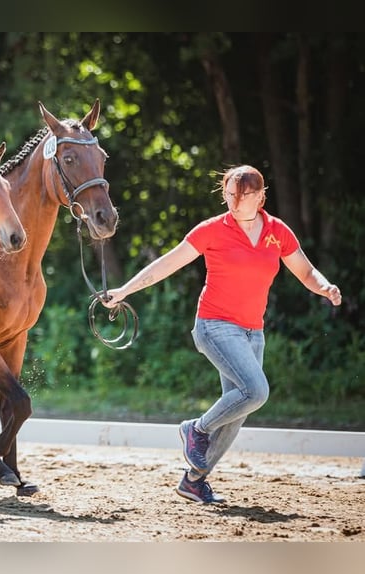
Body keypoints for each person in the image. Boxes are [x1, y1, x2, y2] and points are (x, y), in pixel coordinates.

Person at [101, 165, 342, 503]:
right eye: (228, 194)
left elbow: (304, 270)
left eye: (240, 196)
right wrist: (125, 290)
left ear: (260, 197)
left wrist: (324, 286)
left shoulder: (277, 231)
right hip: (214, 326)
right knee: (256, 391)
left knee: (237, 412)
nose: (232, 201)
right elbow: (167, 264)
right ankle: (195, 429)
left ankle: (194, 481)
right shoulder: (213, 230)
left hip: (252, 332)